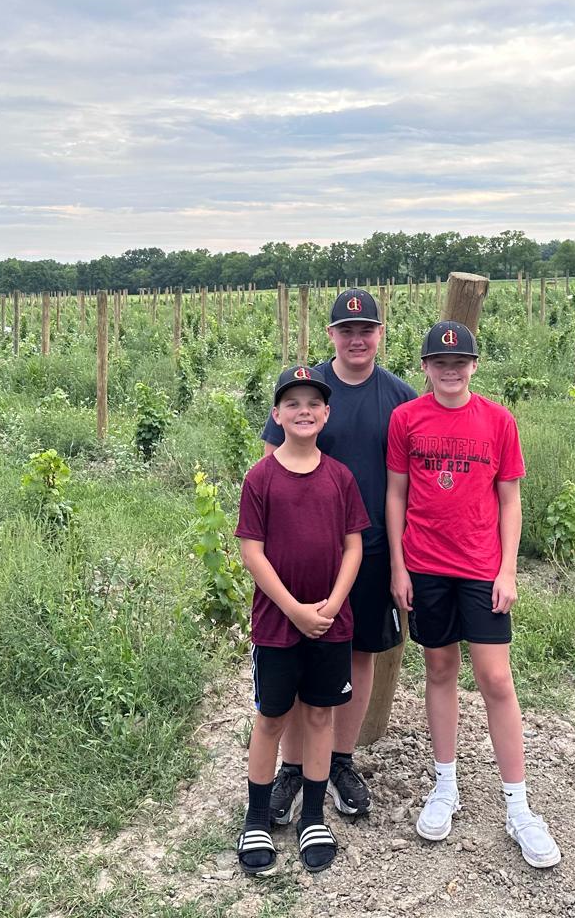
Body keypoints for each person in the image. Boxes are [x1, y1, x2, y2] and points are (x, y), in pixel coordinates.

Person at [385, 320, 562, 869]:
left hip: (482, 570)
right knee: (439, 671)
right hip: (426, 567)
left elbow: (510, 501)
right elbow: (396, 496)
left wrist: (507, 570)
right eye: (440, 362)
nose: (450, 369)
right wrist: (398, 566)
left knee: (495, 679)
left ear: (475, 366)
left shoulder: (498, 421)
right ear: (425, 368)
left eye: (460, 361)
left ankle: (519, 806)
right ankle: (446, 786)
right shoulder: (406, 419)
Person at [261, 288, 417, 824]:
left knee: (359, 655)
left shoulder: (400, 397)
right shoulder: (308, 391)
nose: (357, 338)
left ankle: (341, 761)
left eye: (366, 329)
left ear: (380, 334)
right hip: (304, 558)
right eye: (346, 330)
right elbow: (270, 471)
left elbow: (411, 485)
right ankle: (291, 767)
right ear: (331, 336)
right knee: (298, 656)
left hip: (368, 553)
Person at [235, 365, 369, 875]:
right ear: (277, 415)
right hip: (276, 623)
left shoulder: (340, 478)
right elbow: (253, 551)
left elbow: (354, 545)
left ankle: (314, 815)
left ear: (326, 414)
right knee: (271, 718)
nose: (304, 411)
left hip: (332, 623)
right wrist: (293, 608)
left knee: (319, 716)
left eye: (313, 403)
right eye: (292, 403)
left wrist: (333, 604)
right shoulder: (260, 478)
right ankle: (256, 818)